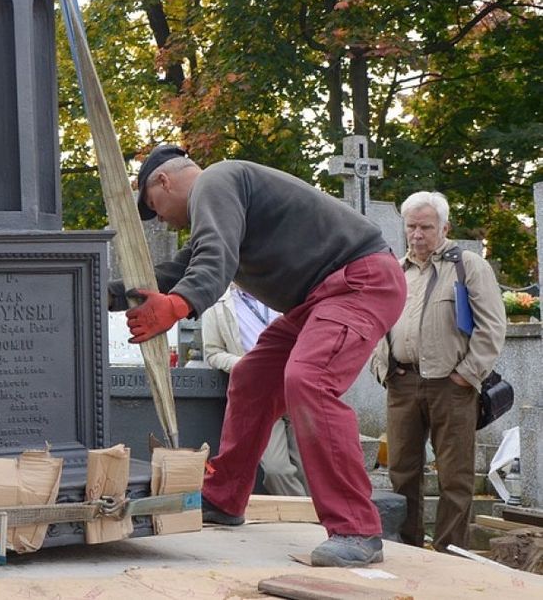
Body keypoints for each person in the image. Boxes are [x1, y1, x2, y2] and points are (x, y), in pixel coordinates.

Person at [109, 145, 405, 568]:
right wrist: (105, 293)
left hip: (360, 281)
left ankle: (357, 530)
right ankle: (224, 498)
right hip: (318, 299)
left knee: (309, 380)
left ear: (164, 180)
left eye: (153, 206)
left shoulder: (216, 180)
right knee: (252, 377)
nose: (160, 219)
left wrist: (176, 306)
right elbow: (177, 271)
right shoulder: (225, 208)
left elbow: (213, 260)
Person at [369, 191, 505, 552]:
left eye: (426, 227)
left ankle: (450, 554)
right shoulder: (396, 270)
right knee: (402, 472)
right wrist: (382, 368)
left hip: (452, 384)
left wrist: (466, 375)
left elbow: (492, 327)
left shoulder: (468, 266)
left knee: (455, 476)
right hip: (402, 383)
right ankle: (407, 550)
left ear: (444, 227)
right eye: (411, 226)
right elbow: (375, 322)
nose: (417, 234)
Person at [201, 284, 308, 497]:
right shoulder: (217, 305)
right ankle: (304, 512)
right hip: (259, 391)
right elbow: (212, 353)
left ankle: (317, 514)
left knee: (310, 466)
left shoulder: (285, 288)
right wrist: (245, 365)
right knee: (276, 469)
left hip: (298, 385)